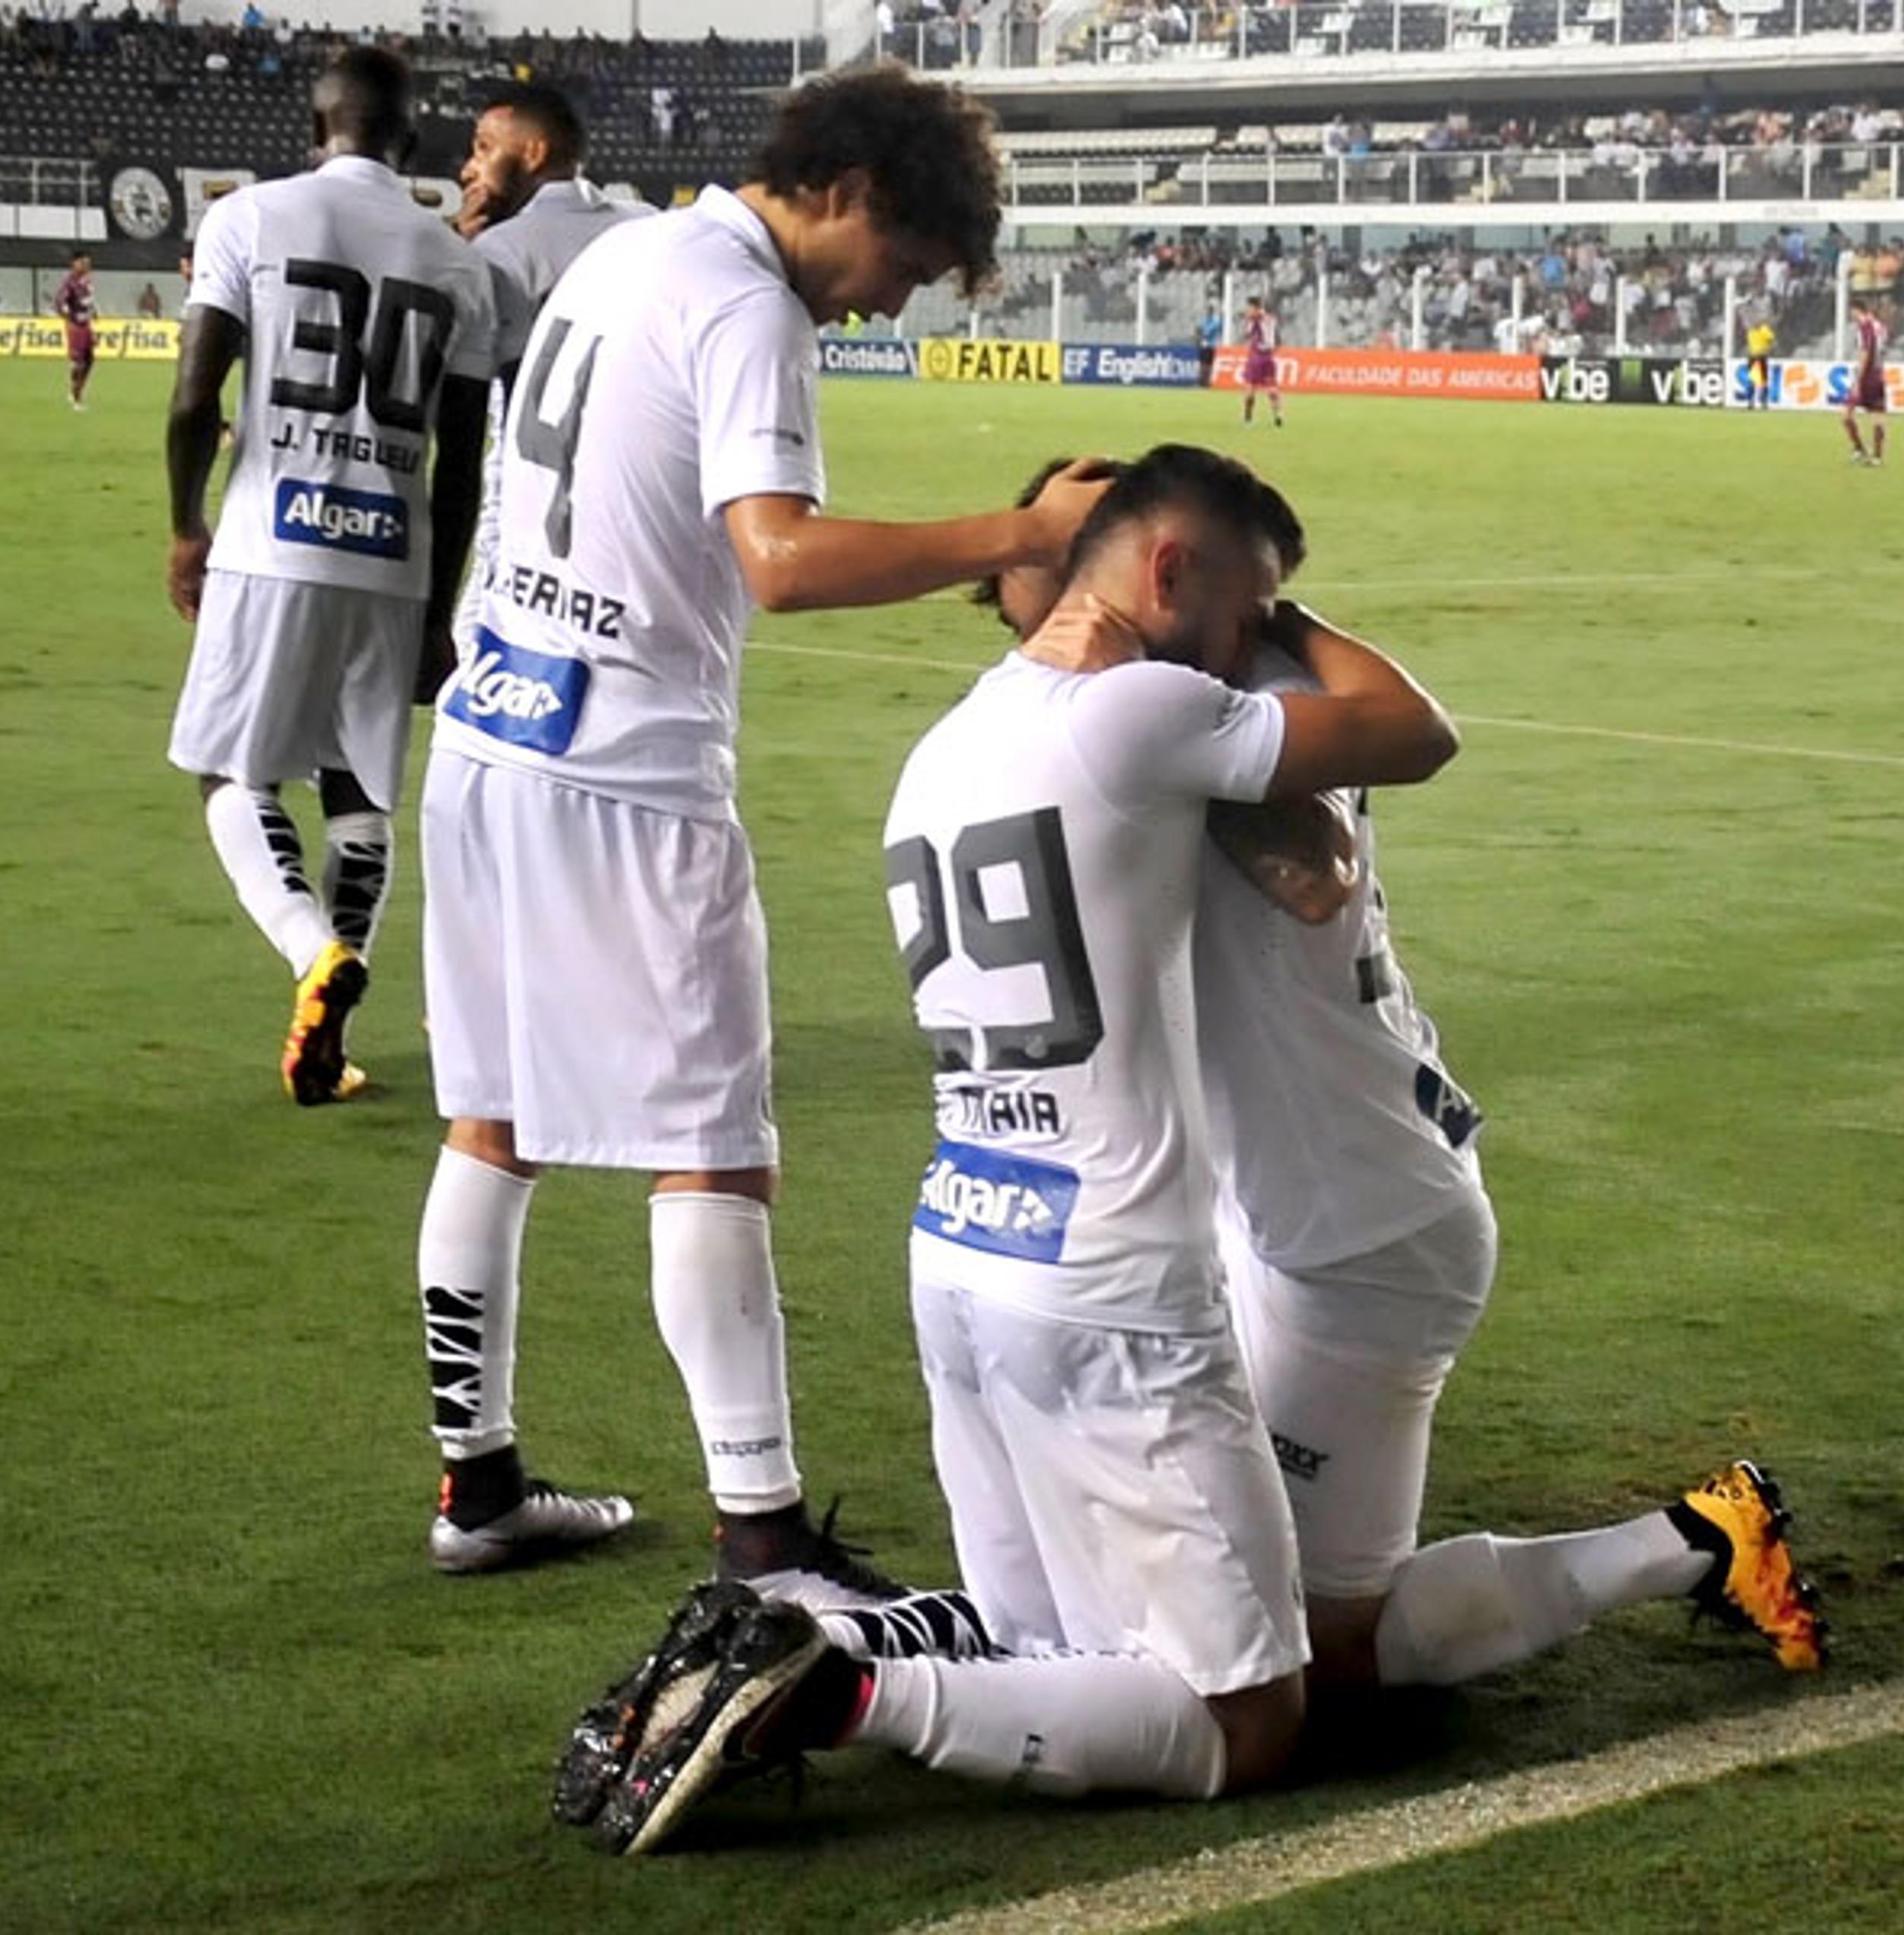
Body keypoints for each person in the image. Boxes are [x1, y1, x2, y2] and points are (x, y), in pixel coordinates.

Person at [557, 444, 1471, 1857]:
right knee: (1253, 1716)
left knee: (1054, 1649)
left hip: (965, 1257)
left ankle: (844, 1662)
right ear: (1169, 569)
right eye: (1243, 607)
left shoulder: (942, 752)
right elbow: (1409, 731)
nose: (1248, 647)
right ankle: (836, 1686)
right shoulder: (1141, 713)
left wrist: (1234, 593)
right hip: (1113, 1287)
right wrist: (1279, 628)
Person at [407, 67, 1109, 1584]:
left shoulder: (625, 254)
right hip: (627, 777)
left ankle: (477, 1482)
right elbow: (778, 560)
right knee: (716, 1153)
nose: (891, 305)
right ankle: (764, 1531)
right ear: (851, 194)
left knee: (495, 1116)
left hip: (487, 737)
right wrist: (1026, 534)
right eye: (906, 268)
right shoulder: (750, 306)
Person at [967, 456, 1827, 1695]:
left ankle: (1697, 1544)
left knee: (1317, 1663)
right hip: (1304, 1199)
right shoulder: (1210, 697)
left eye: (1054, 542)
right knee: (1210, 1592)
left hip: (1357, 1228)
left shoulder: (1194, 716)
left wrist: (1253, 630)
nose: (1029, 574)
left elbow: (1315, 867)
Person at [162, 46, 495, 1107]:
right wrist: (439, 613)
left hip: (271, 541)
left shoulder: (249, 219)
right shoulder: (459, 265)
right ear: (412, 147)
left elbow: (191, 402)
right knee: (358, 792)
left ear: (318, 132)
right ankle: (329, 1025)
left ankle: (316, 953)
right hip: (392, 559)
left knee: (231, 772)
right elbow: (462, 468)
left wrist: (185, 528)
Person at [438, 79, 651, 700]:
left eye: (482, 147)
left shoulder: (500, 250)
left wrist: (453, 250)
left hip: (530, 491)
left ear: (531, 154)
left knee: (477, 665)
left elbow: (450, 384)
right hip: (630, 496)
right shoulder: (647, 226)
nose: (468, 166)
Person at [1842, 295, 1887, 467]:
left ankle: (1859, 449)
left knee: (1846, 415)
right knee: (1877, 415)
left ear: (1855, 310)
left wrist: (1858, 380)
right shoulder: (1880, 327)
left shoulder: (1865, 327)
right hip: (1879, 373)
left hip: (1867, 375)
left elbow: (1866, 352)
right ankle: (1877, 456)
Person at [54, 250, 97, 409]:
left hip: (86, 325)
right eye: (84, 263)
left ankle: (77, 392)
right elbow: (59, 303)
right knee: (78, 363)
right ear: (75, 263)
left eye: (88, 264)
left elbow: (88, 302)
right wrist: (68, 317)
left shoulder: (87, 282)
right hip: (76, 326)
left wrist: (94, 313)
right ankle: (75, 397)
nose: (87, 266)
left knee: (90, 361)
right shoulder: (70, 283)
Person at [1238, 293, 1283, 427]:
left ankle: (1248, 418)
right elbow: (1278, 340)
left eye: (1250, 307)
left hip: (1256, 357)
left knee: (1250, 389)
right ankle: (1278, 415)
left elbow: (1247, 334)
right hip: (1269, 357)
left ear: (1256, 308)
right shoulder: (1272, 319)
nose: (1248, 310)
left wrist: (1247, 324)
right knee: (1272, 388)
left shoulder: (1255, 319)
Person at [1742, 310, 1775, 408]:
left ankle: (1763, 401)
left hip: (1760, 356)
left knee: (1762, 380)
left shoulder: (1763, 330)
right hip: (1753, 356)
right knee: (1753, 380)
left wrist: (1768, 349)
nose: (1754, 322)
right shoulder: (1752, 330)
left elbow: (1771, 339)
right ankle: (1751, 401)